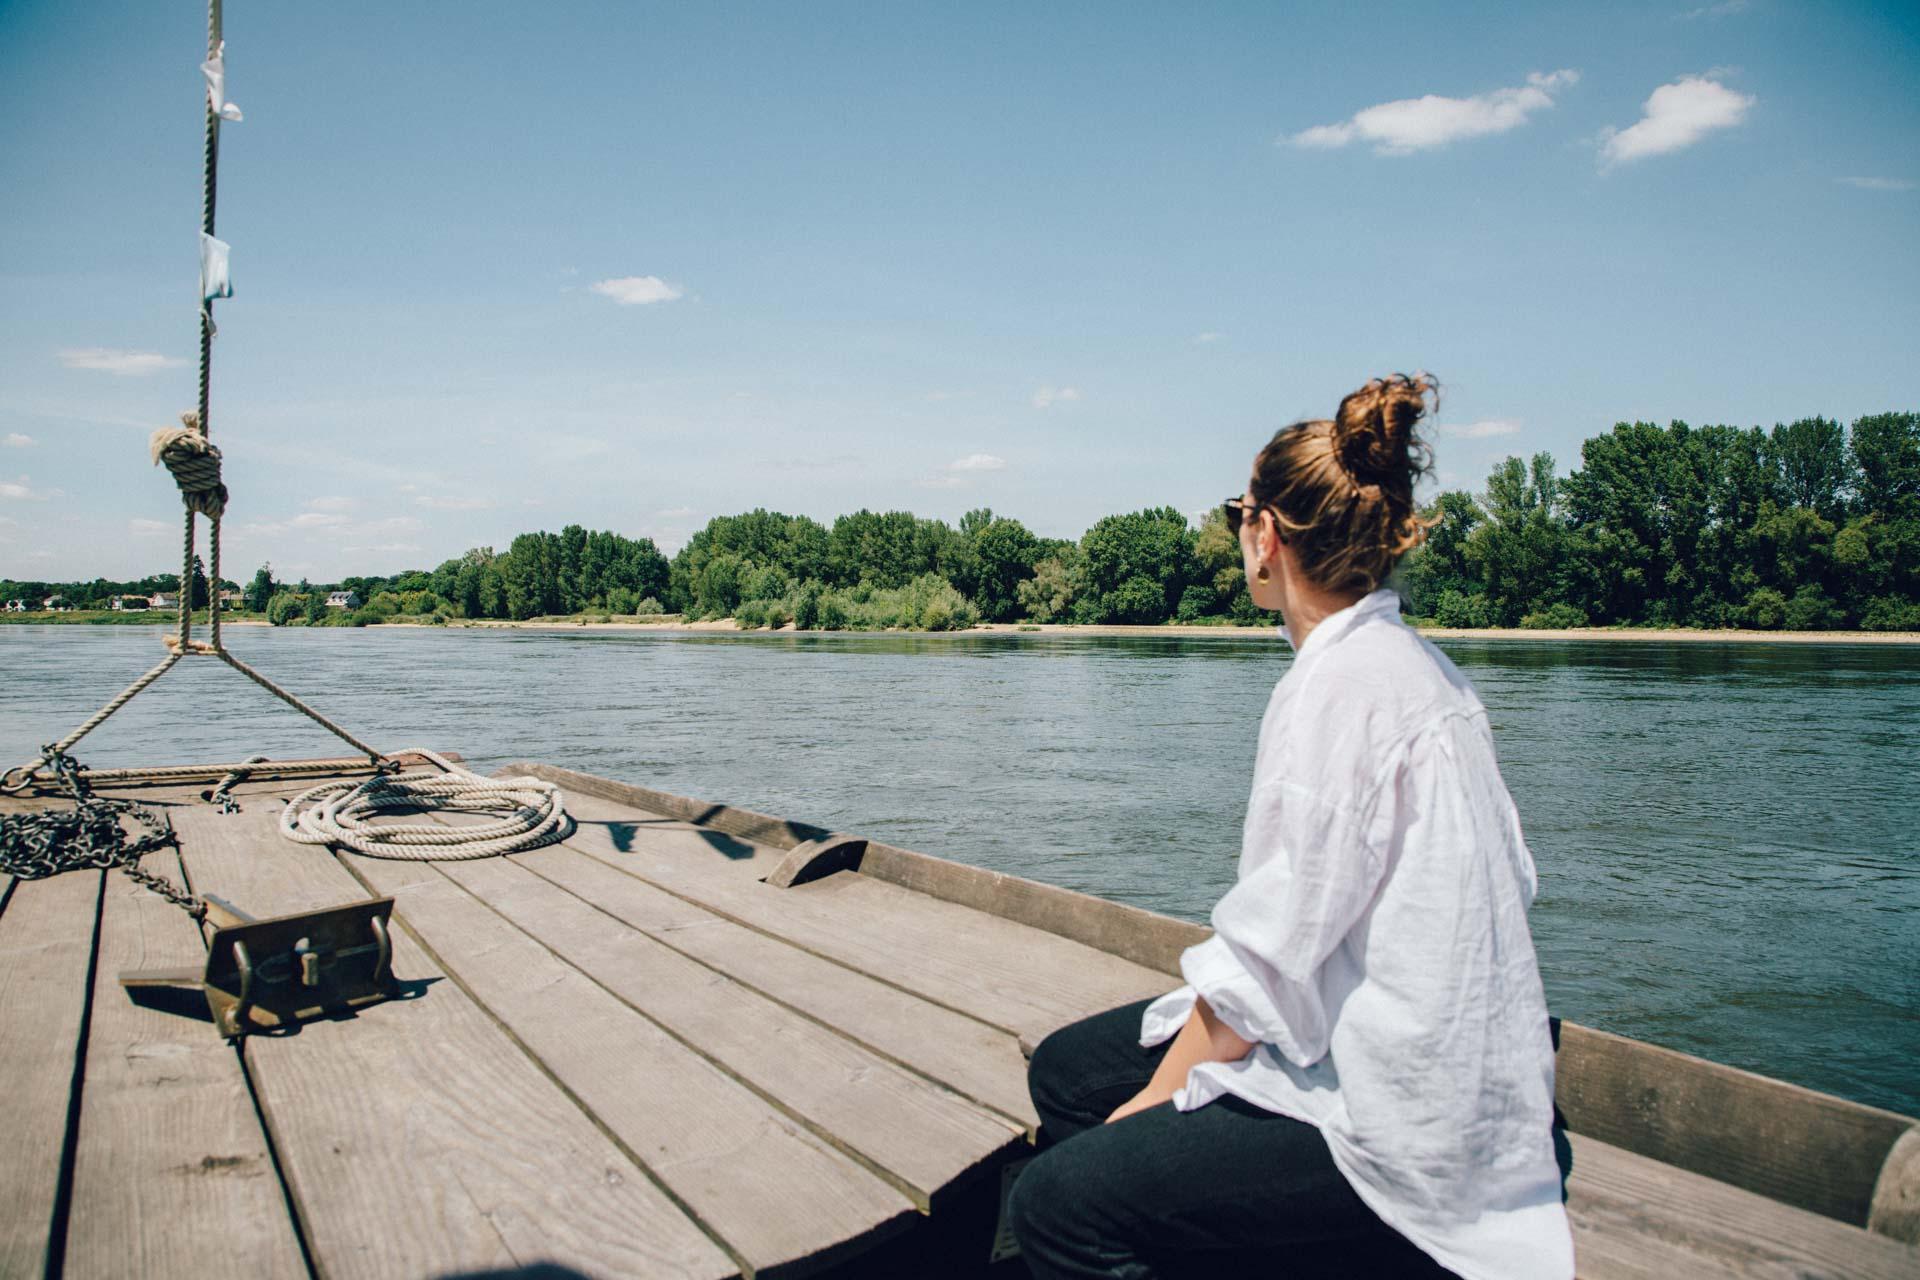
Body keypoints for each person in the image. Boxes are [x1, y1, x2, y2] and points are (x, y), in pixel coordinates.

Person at [1005, 374, 1574, 1280]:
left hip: (1410, 1115)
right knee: (1070, 1074)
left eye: (1240, 512)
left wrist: (1154, 1102)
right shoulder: (1422, 674)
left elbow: (1263, 974)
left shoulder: (1333, 693)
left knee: (1057, 1206)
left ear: (1266, 536)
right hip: (1447, 1065)